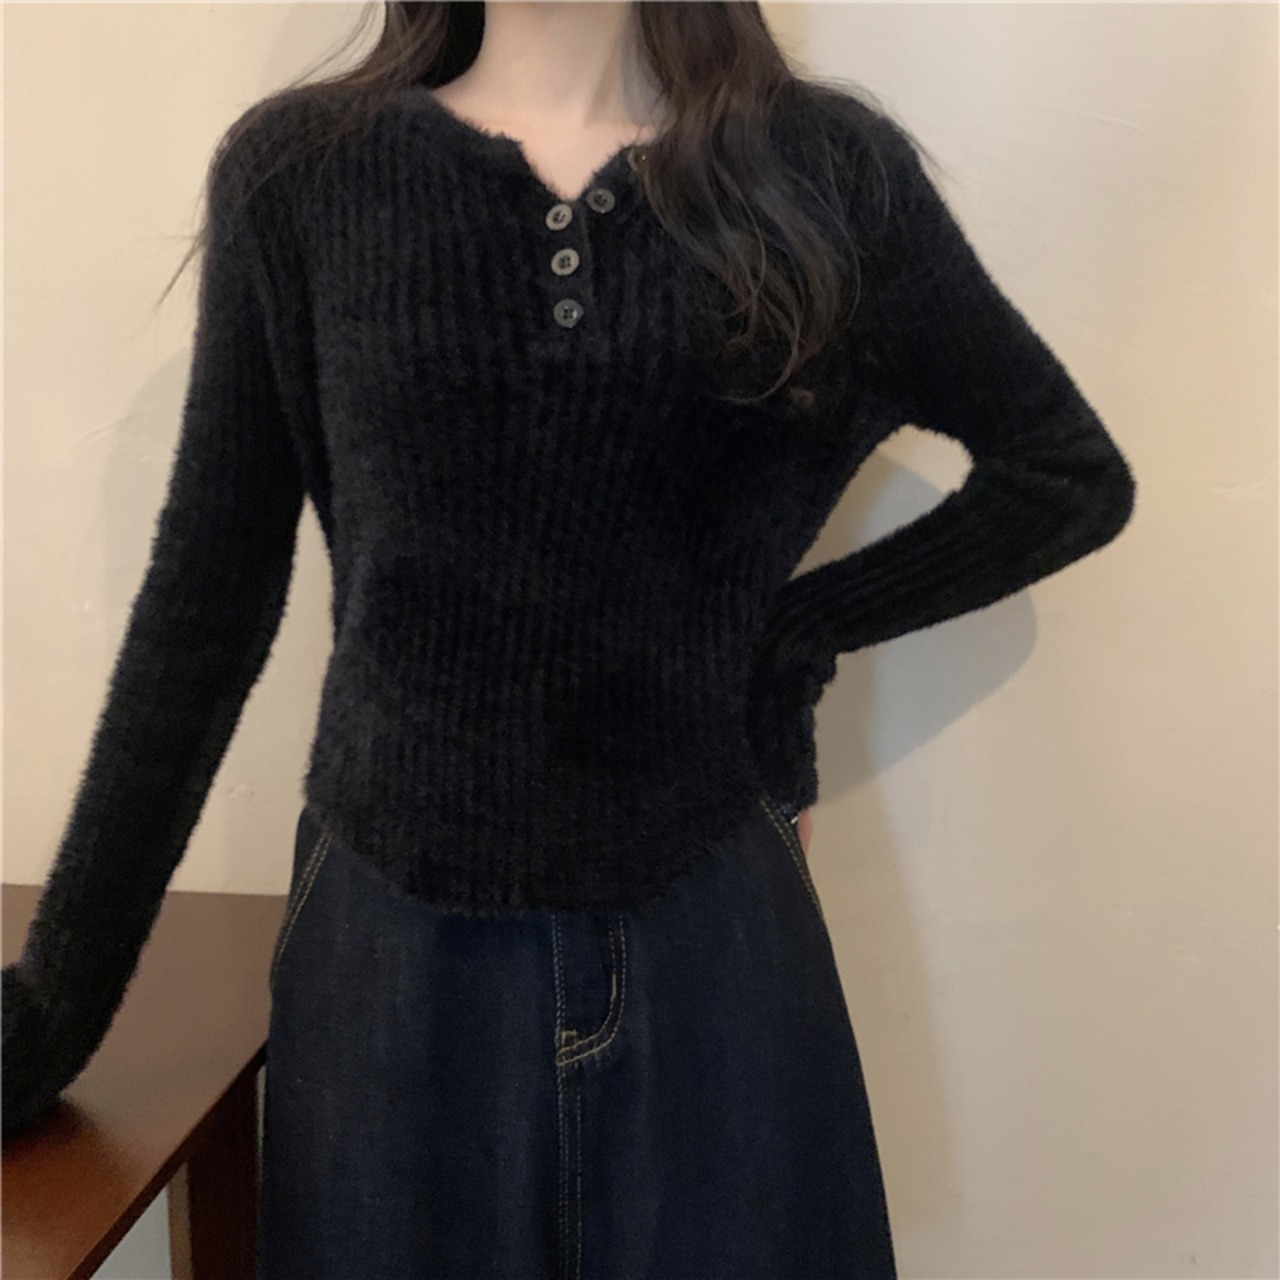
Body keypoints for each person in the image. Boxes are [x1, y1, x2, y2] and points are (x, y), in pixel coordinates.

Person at [2, 2, 1136, 1276]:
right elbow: (204, 602)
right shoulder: (303, 176)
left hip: (710, 926)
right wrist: (51, 1008)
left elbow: (1063, 474)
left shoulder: (821, 174)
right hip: (393, 955)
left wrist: (795, 635)